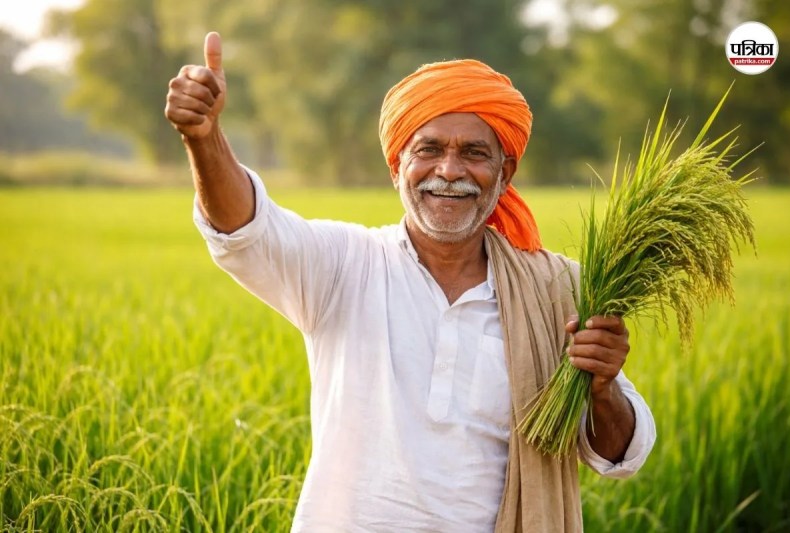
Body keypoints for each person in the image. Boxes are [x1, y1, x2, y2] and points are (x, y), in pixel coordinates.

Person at [165, 32, 656, 533]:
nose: (449, 170)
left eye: (474, 153)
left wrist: (603, 386)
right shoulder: (344, 265)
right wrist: (203, 139)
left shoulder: (557, 291)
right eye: (429, 149)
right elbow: (246, 229)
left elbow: (621, 455)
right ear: (396, 166)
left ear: (505, 172)